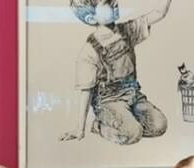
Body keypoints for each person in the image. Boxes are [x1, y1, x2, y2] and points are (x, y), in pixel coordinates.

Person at [60, 0, 171, 145]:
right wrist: (80, 128)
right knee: (133, 133)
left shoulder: (127, 30)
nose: (115, 3)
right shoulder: (89, 52)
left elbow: (159, 13)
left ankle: (126, 121)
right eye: (107, 2)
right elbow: (86, 92)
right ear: (91, 19)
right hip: (108, 101)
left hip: (133, 94)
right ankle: (98, 126)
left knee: (159, 126)